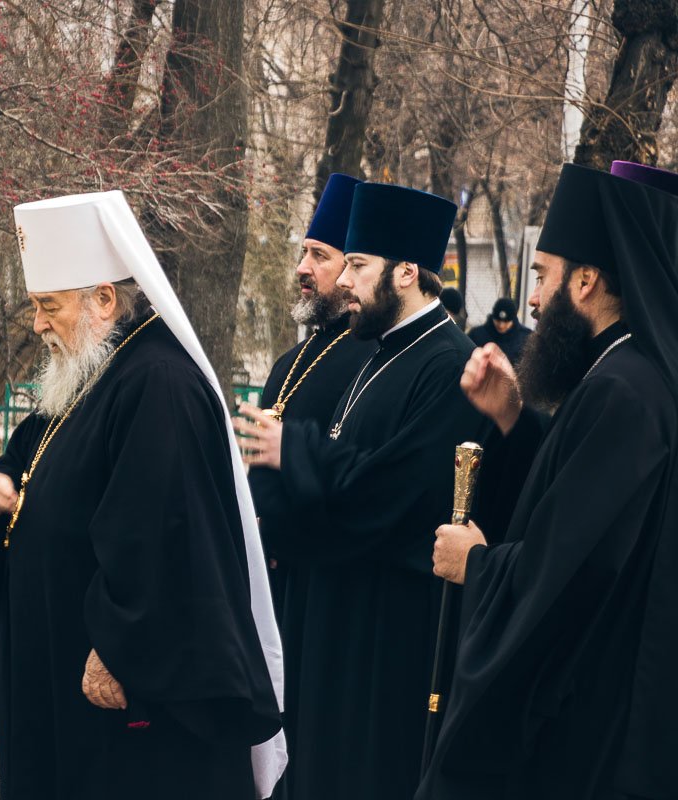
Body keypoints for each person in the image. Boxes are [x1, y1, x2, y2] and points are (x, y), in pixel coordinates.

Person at [0, 191, 286, 800]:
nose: (37, 325)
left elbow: (166, 535)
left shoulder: (157, 381)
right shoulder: (94, 371)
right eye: (34, 306)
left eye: (48, 306)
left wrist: (119, 647)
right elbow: (29, 459)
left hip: (120, 699)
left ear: (103, 299)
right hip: (60, 679)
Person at [420, 163, 678, 799]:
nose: (532, 299)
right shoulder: (623, 375)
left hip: (597, 729)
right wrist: (515, 416)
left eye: (542, 275)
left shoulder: (624, 391)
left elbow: (574, 569)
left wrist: (476, 565)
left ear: (585, 281)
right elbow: (579, 500)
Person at [236, 182, 487, 800]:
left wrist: (293, 451)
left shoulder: (447, 362)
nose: (342, 280)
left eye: (357, 264)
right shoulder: (377, 353)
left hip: (387, 630)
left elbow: (396, 492)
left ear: (407, 271)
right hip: (332, 613)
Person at [249, 173, 374, 798]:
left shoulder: (364, 359)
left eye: (320, 257)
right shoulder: (293, 358)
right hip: (272, 577)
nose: (304, 268)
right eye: (304, 253)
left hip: (312, 580)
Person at [468, 297, 530, 365]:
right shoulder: (476, 335)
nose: (501, 325)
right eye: (498, 321)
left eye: (506, 322)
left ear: (513, 320)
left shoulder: (526, 338)